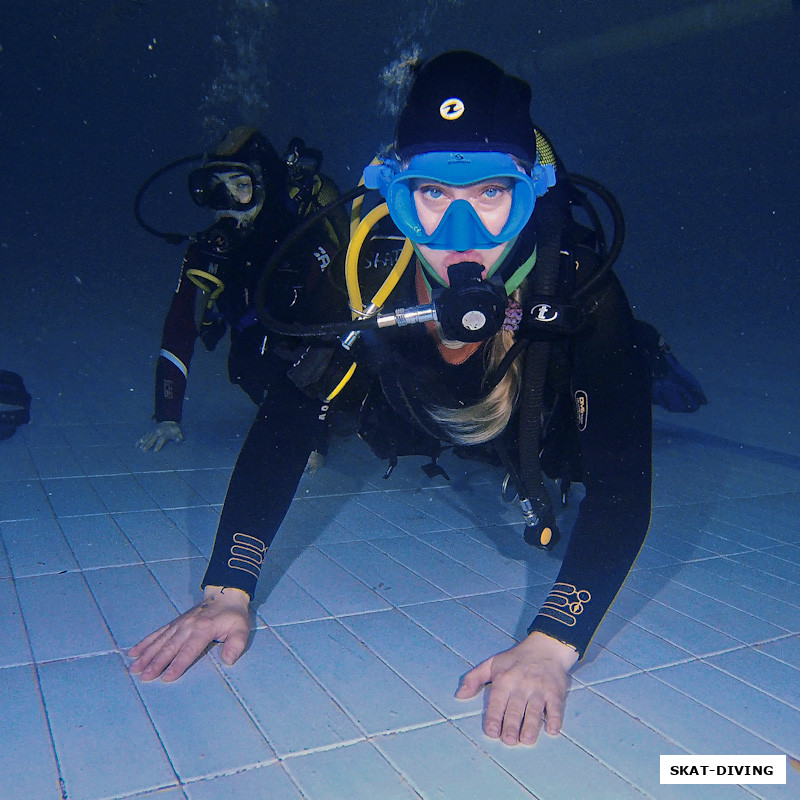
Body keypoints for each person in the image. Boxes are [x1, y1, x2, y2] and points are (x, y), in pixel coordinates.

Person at [129, 52, 698, 747]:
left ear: (532, 195)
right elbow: (286, 420)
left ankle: (650, 357)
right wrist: (228, 589)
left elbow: (619, 491)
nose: (461, 241)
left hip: (537, 421)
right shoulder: (367, 274)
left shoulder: (579, 292)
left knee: (606, 394)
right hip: (423, 415)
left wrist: (553, 642)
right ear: (395, 197)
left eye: (492, 195)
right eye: (431, 196)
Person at [136, 126, 348, 457]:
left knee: (349, 408)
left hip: (317, 349)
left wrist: (315, 438)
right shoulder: (211, 251)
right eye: (215, 189)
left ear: (266, 187)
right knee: (247, 370)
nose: (229, 203)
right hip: (259, 350)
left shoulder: (305, 238)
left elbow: (336, 329)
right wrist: (168, 415)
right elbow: (180, 325)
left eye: (242, 186)